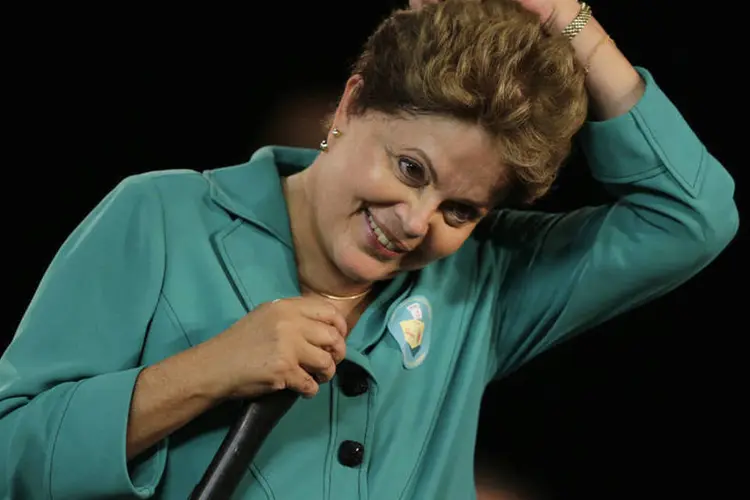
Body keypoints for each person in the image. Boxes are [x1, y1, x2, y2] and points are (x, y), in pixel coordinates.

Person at [0, 0, 738, 498]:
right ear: (351, 106)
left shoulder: (480, 281)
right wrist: (209, 371)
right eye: (410, 168)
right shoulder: (161, 215)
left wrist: (568, 20)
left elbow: (691, 217)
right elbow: (11, 450)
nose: (416, 223)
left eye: (461, 207)